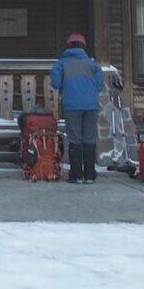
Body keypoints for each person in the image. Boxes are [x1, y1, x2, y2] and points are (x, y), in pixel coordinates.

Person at [50, 33, 105, 184]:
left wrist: (66, 87)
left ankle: (76, 175)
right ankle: (90, 174)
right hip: (91, 106)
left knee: (74, 138)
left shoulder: (62, 63)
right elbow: (100, 86)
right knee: (89, 138)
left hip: (72, 105)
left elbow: (55, 83)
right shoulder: (93, 65)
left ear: (68, 46)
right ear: (83, 47)